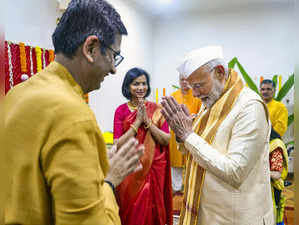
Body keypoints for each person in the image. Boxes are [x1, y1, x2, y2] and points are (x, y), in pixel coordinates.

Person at [3, 1, 144, 225]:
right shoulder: (73, 116)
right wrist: (108, 181)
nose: (114, 69)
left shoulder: (15, 95)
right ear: (90, 48)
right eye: (114, 56)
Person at [161, 46, 274, 225]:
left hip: (237, 217)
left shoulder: (249, 107)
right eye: (192, 87)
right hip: (208, 214)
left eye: (198, 85)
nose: (195, 94)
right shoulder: (213, 102)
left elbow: (235, 171)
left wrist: (188, 135)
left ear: (220, 72)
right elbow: (195, 149)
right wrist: (183, 135)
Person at [113, 67, 173, 225]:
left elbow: (166, 139)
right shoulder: (121, 111)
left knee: (153, 210)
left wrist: (147, 122)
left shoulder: (158, 110)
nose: (140, 87)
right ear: (128, 86)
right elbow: (118, 143)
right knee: (131, 210)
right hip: (131, 168)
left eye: (144, 83)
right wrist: (137, 122)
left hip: (154, 168)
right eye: (135, 84)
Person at [170, 74, 201, 194]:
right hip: (176, 134)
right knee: (176, 163)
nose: (184, 82)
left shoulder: (197, 96)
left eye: (186, 79)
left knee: (191, 162)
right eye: (181, 80)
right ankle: (176, 190)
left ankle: (190, 190)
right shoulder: (173, 97)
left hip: (191, 134)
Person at [269, 128, 288, 225]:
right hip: (264, 188)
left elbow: (277, 174)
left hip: (273, 189)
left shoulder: (276, 145)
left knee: (275, 219)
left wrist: (260, 173)